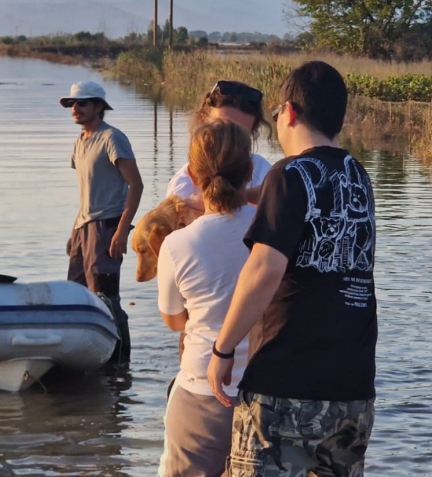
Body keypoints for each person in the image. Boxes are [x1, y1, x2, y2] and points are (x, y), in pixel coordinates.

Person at [207, 61, 378, 476]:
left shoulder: (290, 173)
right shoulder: (358, 176)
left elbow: (264, 270)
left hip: (286, 384)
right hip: (353, 388)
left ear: (289, 112)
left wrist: (223, 349)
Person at [157, 119, 255, 477]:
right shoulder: (274, 231)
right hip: (267, 395)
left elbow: (173, 321)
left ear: (193, 176)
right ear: (249, 170)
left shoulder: (177, 244)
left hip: (201, 392)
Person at [61, 81, 143, 362]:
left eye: (82, 103)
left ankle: (121, 359)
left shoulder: (112, 138)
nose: (76, 108)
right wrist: (75, 231)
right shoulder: (79, 141)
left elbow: (136, 185)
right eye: (73, 104)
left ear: (98, 107)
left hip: (107, 226)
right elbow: (87, 192)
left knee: (106, 297)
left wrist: (121, 231)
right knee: (76, 294)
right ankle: (83, 352)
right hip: (84, 228)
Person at [166, 80, 272, 209]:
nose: (229, 141)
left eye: (240, 134)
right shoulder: (182, 186)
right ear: (202, 122)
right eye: (221, 128)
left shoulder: (264, 171)